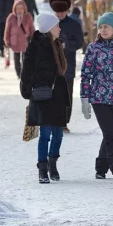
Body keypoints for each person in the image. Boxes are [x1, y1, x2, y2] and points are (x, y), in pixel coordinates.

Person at [80, 13, 113, 180]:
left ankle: (101, 168)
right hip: (99, 97)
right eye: (100, 27)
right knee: (109, 133)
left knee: (111, 134)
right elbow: (86, 74)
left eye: (106, 26)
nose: (103, 30)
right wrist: (84, 98)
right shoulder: (93, 48)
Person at [21, 13, 70, 183]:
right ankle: (42, 169)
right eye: (57, 25)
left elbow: (62, 71)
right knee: (45, 133)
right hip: (43, 95)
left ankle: (52, 163)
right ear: (49, 28)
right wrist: (27, 90)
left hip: (57, 95)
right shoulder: (36, 46)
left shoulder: (57, 44)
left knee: (58, 135)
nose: (59, 28)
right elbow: (26, 69)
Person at [50, 0, 84, 131]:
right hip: (51, 65)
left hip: (68, 65)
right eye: (57, 12)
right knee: (52, 94)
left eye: (62, 12)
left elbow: (80, 42)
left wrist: (66, 45)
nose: (59, 14)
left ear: (66, 11)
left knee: (66, 94)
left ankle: (64, 122)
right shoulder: (50, 24)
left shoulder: (74, 24)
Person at [4, 0, 34, 79]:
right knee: (16, 59)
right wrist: (7, 40)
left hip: (25, 41)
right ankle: (19, 74)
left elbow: (32, 28)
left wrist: (34, 38)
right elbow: (7, 30)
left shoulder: (28, 16)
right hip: (15, 41)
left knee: (25, 59)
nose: (20, 10)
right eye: (18, 8)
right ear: (15, 8)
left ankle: (24, 73)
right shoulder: (11, 17)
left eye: (21, 8)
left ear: (24, 8)